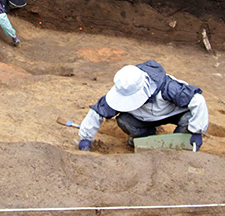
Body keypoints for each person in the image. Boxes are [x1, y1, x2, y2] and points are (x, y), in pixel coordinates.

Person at [77, 60, 208, 151]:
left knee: (189, 119)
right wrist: (86, 138)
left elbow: (198, 101)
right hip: (144, 119)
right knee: (124, 120)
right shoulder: (125, 86)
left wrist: (196, 131)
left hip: (174, 113)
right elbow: (99, 110)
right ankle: (145, 140)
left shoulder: (169, 88)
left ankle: (180, 145)